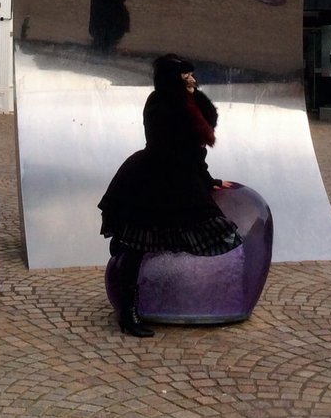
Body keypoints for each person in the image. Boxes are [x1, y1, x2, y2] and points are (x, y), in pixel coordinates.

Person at [98, 54, 242, 336]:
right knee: (140, 245)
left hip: (182, 178)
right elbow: (170, 147)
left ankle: (147, 286)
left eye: (191, 74)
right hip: (154, 179)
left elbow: (198, 144)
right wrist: (197, 176)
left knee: (195, 235)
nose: (191, 79)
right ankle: (129, 313)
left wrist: (206, 179)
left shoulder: (191, 102)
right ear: (172, 78)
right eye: (185, 75)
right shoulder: (160, 104)